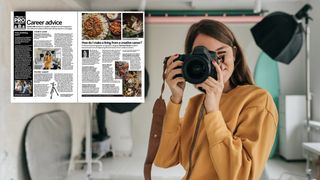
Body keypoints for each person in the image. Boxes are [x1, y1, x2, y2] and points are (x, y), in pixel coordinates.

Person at [154, 19, 278, 180]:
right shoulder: (196, 103)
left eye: (220, 55)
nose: (215, 64)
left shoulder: (258, 100)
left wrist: (213, 111)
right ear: (191, 61)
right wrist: (175, 100)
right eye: (203, 56)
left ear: (234, 54)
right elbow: (164, 159)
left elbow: (242, 175)